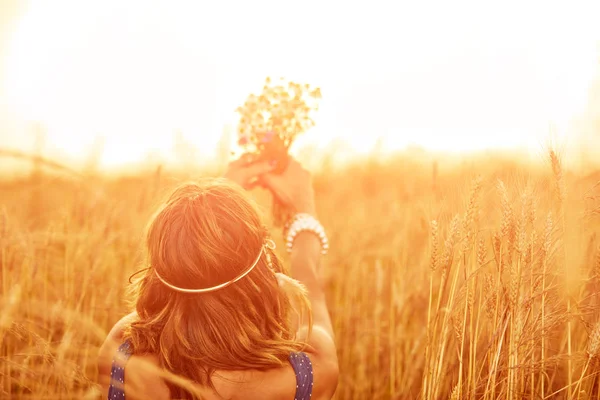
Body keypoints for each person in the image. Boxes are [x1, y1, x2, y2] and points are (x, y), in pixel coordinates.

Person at [97, 155, 339, 399]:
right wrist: (304, 213)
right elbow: (311, 294)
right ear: (261, 269)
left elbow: (182, 285)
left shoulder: (121, 355)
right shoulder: (307, 374)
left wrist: (204, 220)